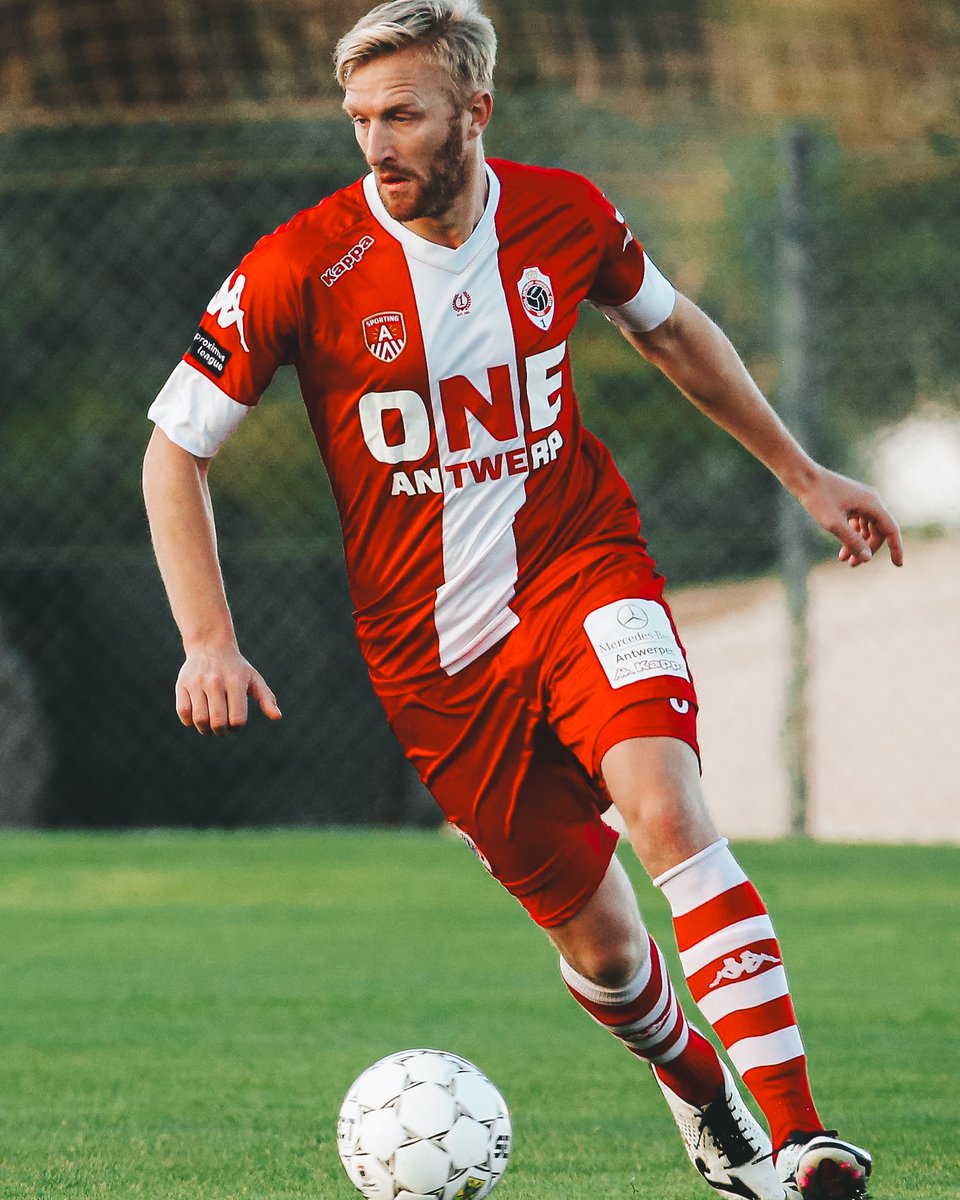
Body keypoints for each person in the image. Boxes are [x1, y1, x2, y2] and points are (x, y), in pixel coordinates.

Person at [142, 3, 903, 1197]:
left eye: (403, 113)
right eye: (358, 118)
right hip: (435, 663)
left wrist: (805, 473)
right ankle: (706, 1102)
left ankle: (804, 1134)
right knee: (604, 951)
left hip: (581, 566)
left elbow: (673, 333)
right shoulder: (303, 264)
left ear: (475, 112)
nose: (376, 143)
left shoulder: (565, 213)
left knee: (666, 809)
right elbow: (174, 449)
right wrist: (207, 641)